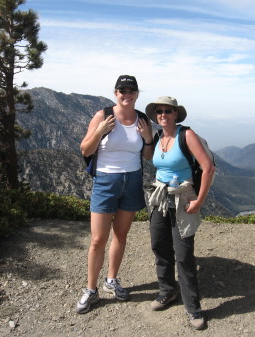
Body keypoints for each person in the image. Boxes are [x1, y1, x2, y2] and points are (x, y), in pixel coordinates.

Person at [76, 75, 153, 314]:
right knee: (98, 239)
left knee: (121, 234)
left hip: (131, 181)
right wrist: (99, 131)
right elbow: (85, 149)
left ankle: (111, 280)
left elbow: (148, 156)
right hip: (106, 181)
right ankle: (91, 289)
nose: (126, 94)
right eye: (122, 90)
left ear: (137, 94)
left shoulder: (142, 119)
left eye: (131, 90)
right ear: (115, 92)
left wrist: (149, 139)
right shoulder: (103, 115)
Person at [143, 96, 215, 330]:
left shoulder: (187, 135)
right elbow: (150, 158)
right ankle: (167, 291)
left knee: (184, 255)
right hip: (160, 198)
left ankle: (193, 307)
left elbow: (208, 167)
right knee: (159, 245)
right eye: (159, 111)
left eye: (168, 111)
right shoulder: (158, 137)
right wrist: (145, 138)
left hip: (183, 198)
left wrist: (199, 201)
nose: (163, 114)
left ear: (176, 114)